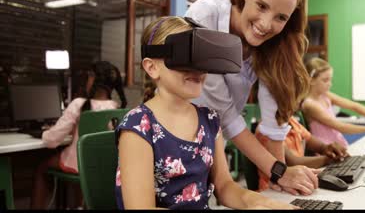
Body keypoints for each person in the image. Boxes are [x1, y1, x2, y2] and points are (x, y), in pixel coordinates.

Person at [114, 16, 299, 209]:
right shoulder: (138, 126)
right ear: (152, 67)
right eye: (186, 58)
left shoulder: (209, 119)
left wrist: (262, 203)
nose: (197, 70)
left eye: (202, 60)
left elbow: (225, 186)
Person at [185, 0, 318, 195]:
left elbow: (273, 120)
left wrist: (279, 180)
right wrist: (278, 171)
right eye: (262, 6)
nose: (266, 24)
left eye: (281, 17)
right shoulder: (206, 16)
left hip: (213, 142)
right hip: (174, 140)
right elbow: (224, 113)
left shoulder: (274, 44)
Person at [31, 61, 127, 209]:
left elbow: (52, 141)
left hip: (78, 163)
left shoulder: (79, 104)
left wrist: (43, 133)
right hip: (101, 166)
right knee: (82, 173)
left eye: (89, 76)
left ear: (93, 79)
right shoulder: (116, 108)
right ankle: (78, 205)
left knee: (42, 168)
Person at [301, 57, 365, 148]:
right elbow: (341, 127)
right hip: (326, 150)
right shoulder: (310, 104)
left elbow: (354, 106)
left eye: (330, 79)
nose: (330, 83)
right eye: (325, 80)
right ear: (311, 80)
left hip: (338, 145)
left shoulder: (325, 95)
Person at [256, 116, 349, 191]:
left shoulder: (292, 121)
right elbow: (292, 162)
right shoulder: (266, 129)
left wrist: (329, 148)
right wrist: (329, 159)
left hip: (297, 180)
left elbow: (319, 146)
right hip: (275, 189)